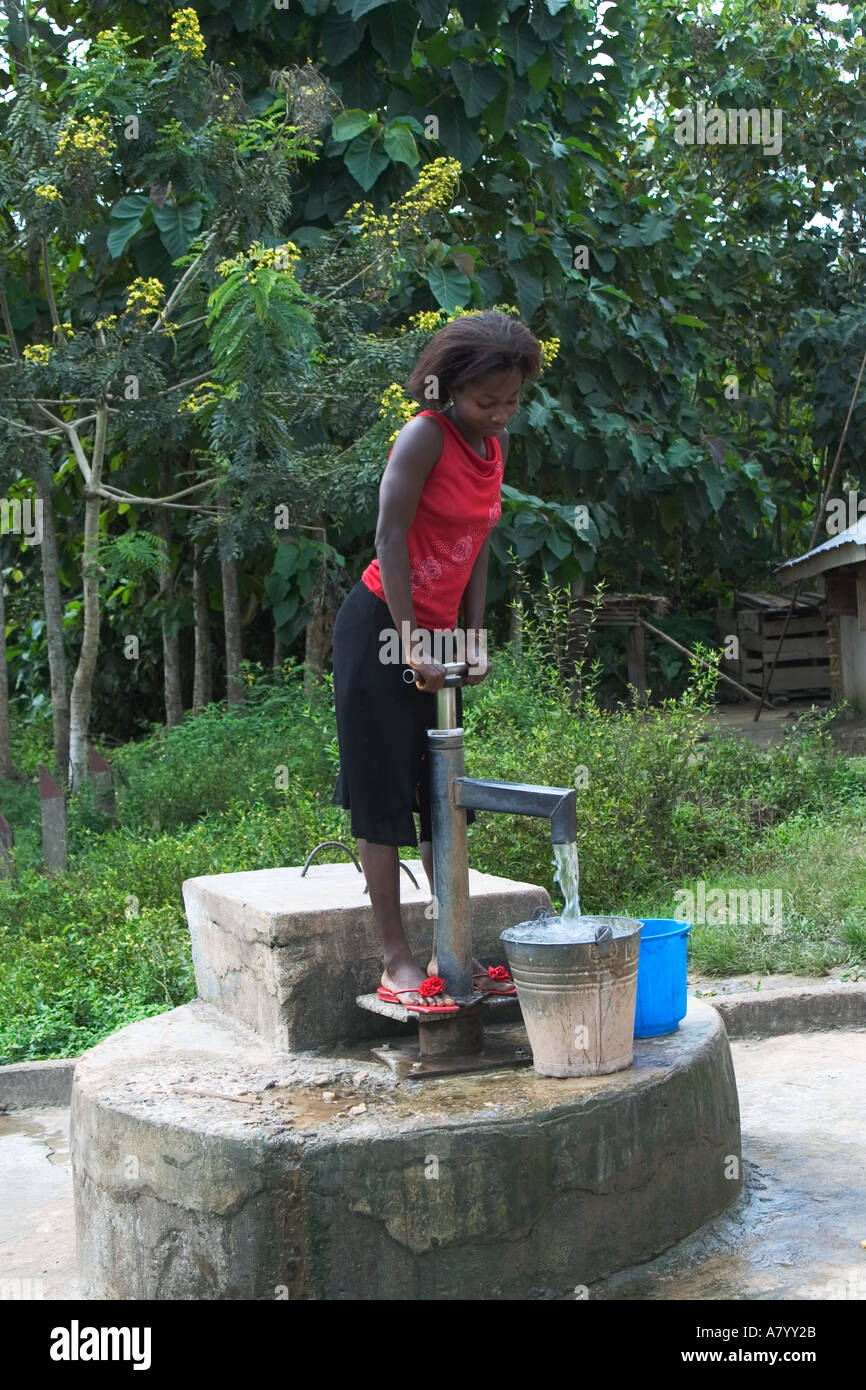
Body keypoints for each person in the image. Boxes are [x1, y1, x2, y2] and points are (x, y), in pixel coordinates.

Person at [331, 310, 543, 1010]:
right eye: (487, 401)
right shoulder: (425, 434)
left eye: (511, 401)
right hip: (379, 627)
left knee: (443, 793)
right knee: (382, 794)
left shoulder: (494, 446)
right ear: (450, 387)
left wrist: (471, 637)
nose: (499, 413)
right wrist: (411, 640)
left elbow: (478, 542)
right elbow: (390, 536)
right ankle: (395, 960)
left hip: (439, 633)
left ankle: (450, 949)